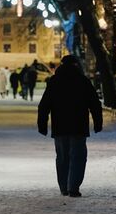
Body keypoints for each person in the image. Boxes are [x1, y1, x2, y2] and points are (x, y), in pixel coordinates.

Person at [37, 55, 103, 197]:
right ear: (77, 65)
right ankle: (73, 186)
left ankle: (64, 187)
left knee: (62, 157)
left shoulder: (54, 81)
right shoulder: (83, 81)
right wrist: (98, 123)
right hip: (79, 126)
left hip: (60, 126)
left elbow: (44, 105)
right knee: (78, 156)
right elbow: (95, 104)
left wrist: (42, 125)